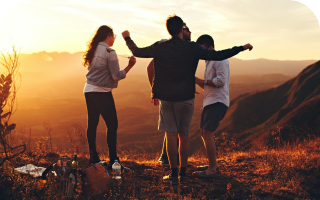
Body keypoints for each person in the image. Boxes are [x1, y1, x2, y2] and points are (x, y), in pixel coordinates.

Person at [122, 15, 253, 185]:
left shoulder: (161, 46)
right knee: (184, 136)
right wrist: (241, 47)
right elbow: (220, 55)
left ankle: (174, 174)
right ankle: (183, 174)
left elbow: (137, 52)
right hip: (186, 97)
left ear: (169, 29)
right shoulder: (191, 47)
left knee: (170, 136)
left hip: (167, 98)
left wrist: (127, 37)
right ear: (181, 30)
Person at [83, 25, 136, 169]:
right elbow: (116, 76)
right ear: (109, 35)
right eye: (114, 36)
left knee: (92, 124)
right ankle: (114, 161)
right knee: (112, 125)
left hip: (88, 90)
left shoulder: (93, 49)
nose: (114, 39)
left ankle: (93, 158)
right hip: (102, 91)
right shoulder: (110, 52)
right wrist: (130, 66)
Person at [146, 22, 192, 166]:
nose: (190, 33)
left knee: (174, 128)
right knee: (172, 129)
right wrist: (155, 90)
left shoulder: (184, 48)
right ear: (180, 31)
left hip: (179, 92)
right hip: (168, 94)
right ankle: (166, 158)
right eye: (187, 30)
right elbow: (150, 67)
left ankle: (169, 159)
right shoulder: (167, 46)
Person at [192, 34, 231, 178]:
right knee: (204, 133)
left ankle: (212, 170)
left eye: (202, 49)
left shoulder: (219, 59)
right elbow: (211, 83)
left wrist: (201, 80)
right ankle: (212, 164)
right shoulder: (209, 61)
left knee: (207, 133)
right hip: (210, 101)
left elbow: (220, 81)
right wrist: (198, 82)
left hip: (217, 101)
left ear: (211, 48)